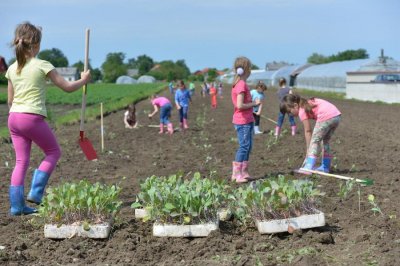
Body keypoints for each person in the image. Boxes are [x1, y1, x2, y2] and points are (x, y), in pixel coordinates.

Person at [5, 22, 91, 215]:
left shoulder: (12, 68)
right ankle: (36, 192)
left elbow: (10, 100)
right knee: (53, 152)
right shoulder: (43, 65)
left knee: (21, 161)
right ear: (36, 44)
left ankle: (17, 206)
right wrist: (83, 80)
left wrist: (18, 116)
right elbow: (67, 87)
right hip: (31, 117)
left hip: (14, 118)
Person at [280, 93, 341, 174]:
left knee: (314, 140)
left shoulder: (301, 110)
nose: (290, 115)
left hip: (326, 116)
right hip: (336, 116)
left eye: (289, 112)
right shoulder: (306, 103)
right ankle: (325, 167)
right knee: (325, 141)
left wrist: (308, 153)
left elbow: (308, 131)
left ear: (295, 105)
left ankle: (309, 167)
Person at [230, 57, 260, 183]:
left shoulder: (240, 84)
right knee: (244, 146)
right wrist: (254, 104)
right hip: (243, 121)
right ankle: (236, 175)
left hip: (247, 120)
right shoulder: (241, 85)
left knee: (248, 146)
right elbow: (240, 105)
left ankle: (244, 172)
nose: (251, 70)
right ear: (245, 69)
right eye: (250, 67)